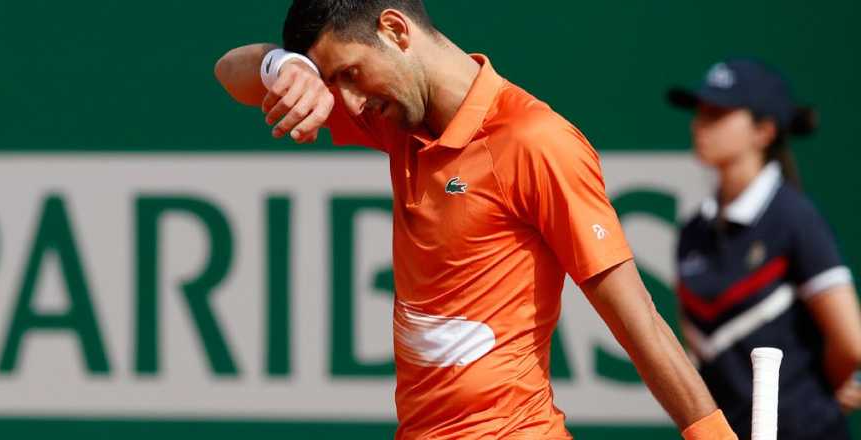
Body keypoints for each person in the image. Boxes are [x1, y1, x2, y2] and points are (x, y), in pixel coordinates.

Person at [214, 1, 736, 438]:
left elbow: (636, 319)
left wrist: (713, 435)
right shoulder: (394, 117)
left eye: (349, 73)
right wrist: (284, 67)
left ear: (396, 30)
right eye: (331, 81)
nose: (347, 100)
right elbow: (228, 73)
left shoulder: (536, 141)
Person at [669, 58, 861, 439]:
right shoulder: (692, 232)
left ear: (764, 130)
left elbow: (851, 344)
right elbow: (697, 354)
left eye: (718, 113)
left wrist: (816, 400)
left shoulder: (794, 218)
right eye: (700, 112)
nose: (700, 124)